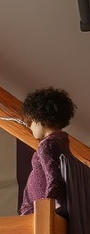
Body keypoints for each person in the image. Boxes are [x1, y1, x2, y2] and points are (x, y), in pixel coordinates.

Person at [19, 87, 77, 215]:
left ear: (40, 119)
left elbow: (54, 178)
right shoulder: (62, 142)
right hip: (45, 211)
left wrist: (47, 206)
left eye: (30, 121)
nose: (28, 126)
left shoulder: (48, 145)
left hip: (41, 213)